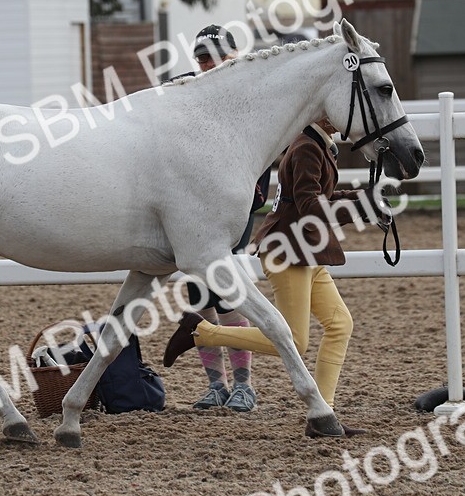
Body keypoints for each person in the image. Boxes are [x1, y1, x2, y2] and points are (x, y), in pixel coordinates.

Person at [163, 117, 388, 436]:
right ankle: (202, 332)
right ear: (322, 115)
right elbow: (311, 207)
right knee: (295, 339)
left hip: (307, 249)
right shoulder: (307, 148)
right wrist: (361, 209)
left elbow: (319, 200)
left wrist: (365, 201)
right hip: (290, 253)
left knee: (340, 324)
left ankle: (323, 413)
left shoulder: (316, 144)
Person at [169, 25, 271, 413]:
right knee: (199, 294)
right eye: (202, 58)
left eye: (216, 56)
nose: (209, 64)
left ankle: (244, 384)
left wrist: (252, 196)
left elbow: (263, 148)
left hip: (234, 205)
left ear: (233, 55)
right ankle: (218, 385)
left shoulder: (249, 95)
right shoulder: (190, 91)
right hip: (193, 208)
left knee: (228, 292)